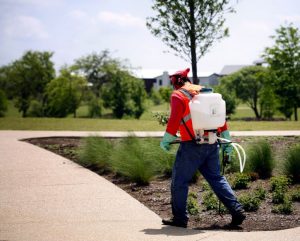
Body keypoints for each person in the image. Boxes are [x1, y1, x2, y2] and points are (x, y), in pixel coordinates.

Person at [160, 68, 245, 228]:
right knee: (217, 179)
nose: (172, 86)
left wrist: (166, 139)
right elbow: (220, 119)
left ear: (176, 81)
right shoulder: (205, 92)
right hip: (212, 143)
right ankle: (237, 210)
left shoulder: (178, 95)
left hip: (191, 146)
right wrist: (226, 141)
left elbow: (174, 119)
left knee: (179, 182)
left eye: (172, 82)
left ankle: (180, 219)